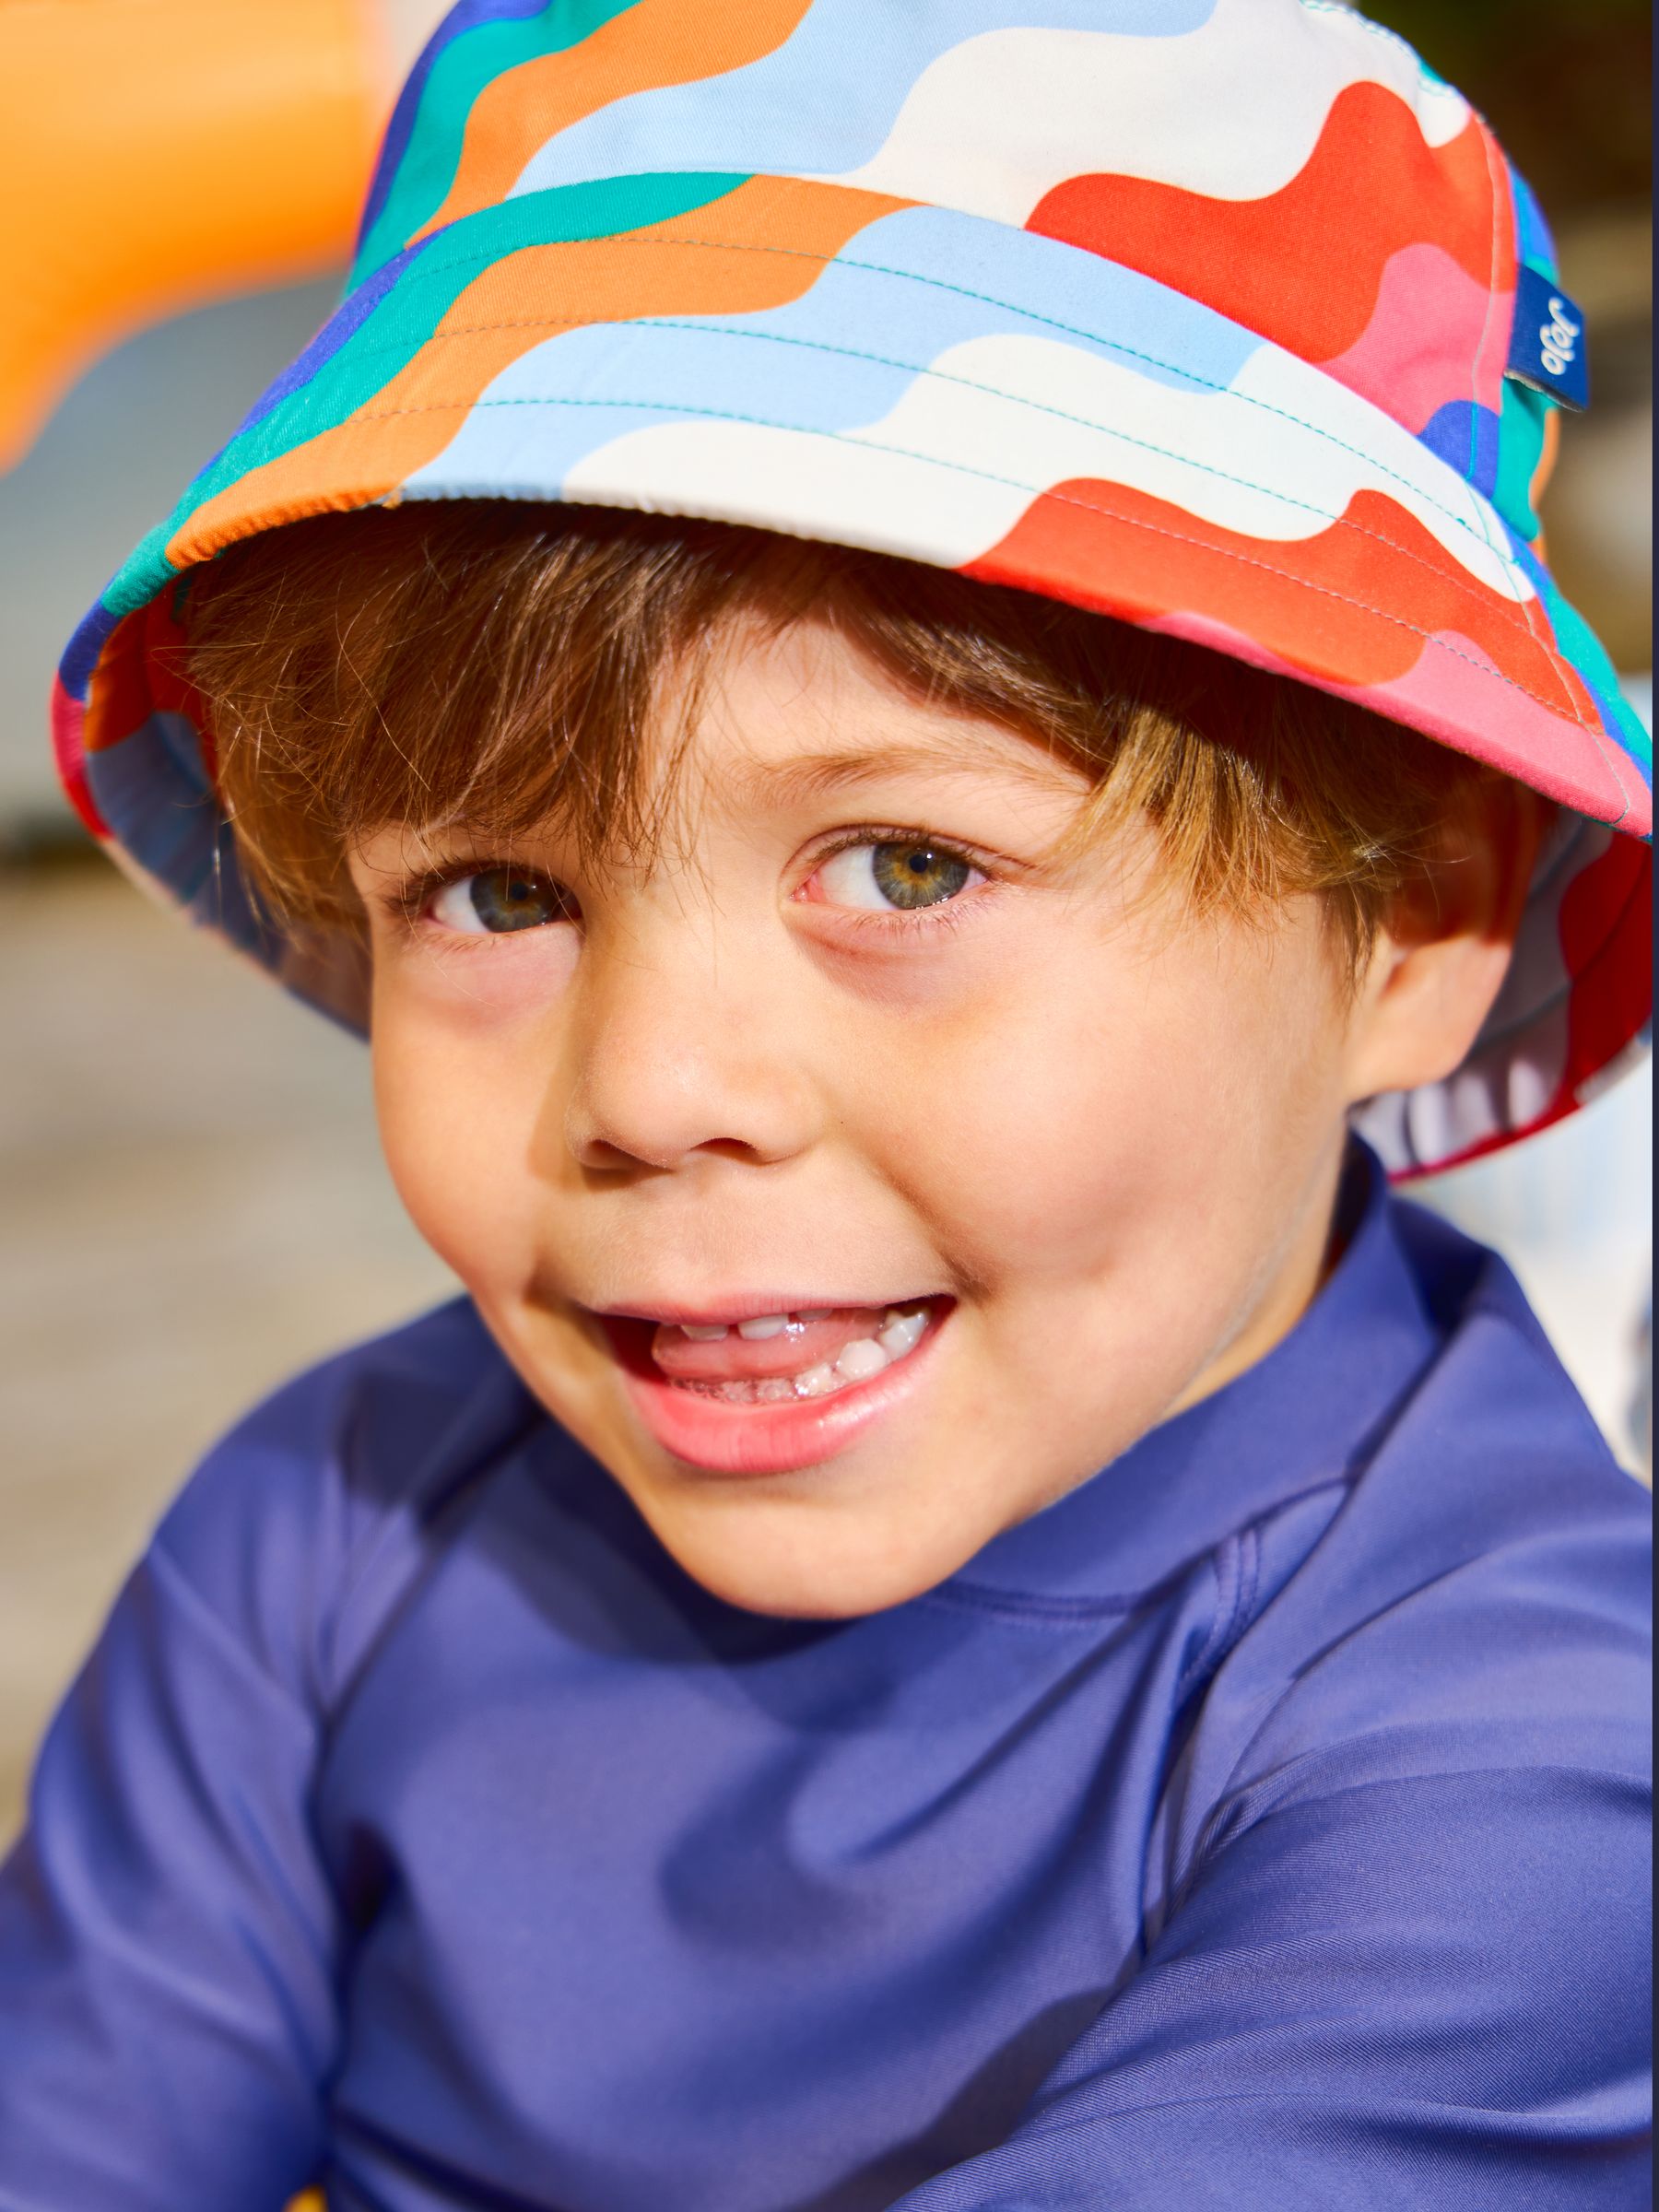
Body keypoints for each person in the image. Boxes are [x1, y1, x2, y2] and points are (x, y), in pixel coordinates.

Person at [4, 1, 1651, 2205]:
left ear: (1416, 920)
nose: (660, 1092)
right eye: (496, 892)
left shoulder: (1525, 1759)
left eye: (907, 866)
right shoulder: (328, 1540)